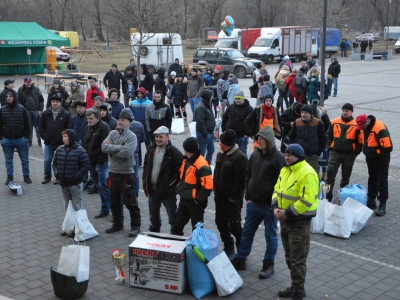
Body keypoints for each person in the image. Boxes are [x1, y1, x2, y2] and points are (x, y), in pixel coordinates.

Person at [231, 126, 285, 280]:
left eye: (261, 139)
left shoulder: (279, 158)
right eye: (257, 139)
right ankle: (241, 258)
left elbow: (280, 184)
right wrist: (248, 196)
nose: (258, 141)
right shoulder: (255, 155)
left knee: (270, 236)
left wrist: (274, 204)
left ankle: (269, 264)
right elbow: (248, 175)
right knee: (247, 232)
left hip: (269, 206)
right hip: (253, 203)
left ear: (269, 140)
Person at [272, 144, 319, 300]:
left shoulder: (307, 173)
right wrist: (275, 208)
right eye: (285, 154)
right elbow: (276, 190)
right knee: (289, 256)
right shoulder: (285, 170)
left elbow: (306, 201)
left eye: (290, 155)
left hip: (299, 222)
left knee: (297, 258)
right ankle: (295, 286)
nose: (286, 157)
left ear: (298, 156)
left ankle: (298, 291)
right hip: (285, 220)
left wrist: (287, 213)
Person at [102, 110, 141, 237]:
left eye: (123, 120)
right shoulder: (112, 133)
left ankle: (135, 226)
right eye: (119, 119)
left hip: (126, 174)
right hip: (113, 173)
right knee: (114, 201)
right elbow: (103, 147)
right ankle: (118, 224)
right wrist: (120, 147)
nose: (119, 122)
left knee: (130, 202)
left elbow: (127, 153)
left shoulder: (131, 136)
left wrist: (112, 148)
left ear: (129, 123)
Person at [213, 129, 248, 255]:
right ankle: (229, 247)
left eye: (221, 141)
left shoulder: (240, 158)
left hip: (232, 201)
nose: (219, 143)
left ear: (226, 144)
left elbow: (241, 181)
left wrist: (232, 198)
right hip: (219, 198)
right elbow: (216, 173)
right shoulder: (220, 154)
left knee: (235, 227)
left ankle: (241, 253)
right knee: (220, 223)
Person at [143, 126, 183, 233]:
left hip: (167, 192)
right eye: (156, 137)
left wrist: (170, 185)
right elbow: (146, 168)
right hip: (152, 190)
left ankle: (175, 233)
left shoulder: (174, 152)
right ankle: (155, 230)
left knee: (172, 217)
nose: (158, 139)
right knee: (153, 215)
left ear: (167, 137)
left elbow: (179, 172)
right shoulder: (151, 150)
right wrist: (145, 182)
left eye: (161, 137)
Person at [171, 137, 213, 235]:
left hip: (195, 202)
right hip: (185, 198)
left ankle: (197, 247)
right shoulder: (187, 160)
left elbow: (208, 186)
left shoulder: (201, 165)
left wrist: (198, 199)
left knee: (197, 229)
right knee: (177, 225)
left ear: (187, 149)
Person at [53, 129, 90, 236]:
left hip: (75, 184)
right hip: (63, 184)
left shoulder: (80, 150)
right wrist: (57, 174)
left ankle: (79, 228)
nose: (64, 139)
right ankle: (69, 226)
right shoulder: (59, 150)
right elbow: (54, 163)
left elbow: (86, 165)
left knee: (77, 206)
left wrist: (77, 176)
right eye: (63, 137)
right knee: (67, 206)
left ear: (71, 137)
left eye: (66, 137)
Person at [356, 114, 393, 216]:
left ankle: (382, 203)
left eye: (362, 126)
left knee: (382, 180)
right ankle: (371, 200)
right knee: (372, 178)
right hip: (370, 156)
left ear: (367, 122)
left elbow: (388, 146)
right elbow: (361, 140)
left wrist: (379, 155)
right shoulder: (363, 127)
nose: (361, 129)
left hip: (381, 158)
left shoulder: (380, 128)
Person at [325, 103, 362, 202]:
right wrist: (329, 148)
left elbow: (360, 140)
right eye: (343, 110)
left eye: (347, 111)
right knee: (330, 175)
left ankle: (343, 196)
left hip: (349, 154)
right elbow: (328, 135)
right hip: (335, 153)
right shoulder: (334, 122)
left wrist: (355, 152)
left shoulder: (356, 124)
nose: (345, 113)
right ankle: (326, 196)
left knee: (346, 177)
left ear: (351, 112)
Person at [84, 109, 111, 218]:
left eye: (91, 118)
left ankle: (115, 208)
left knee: (104, 185)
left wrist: (101, 160)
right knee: (99, 186)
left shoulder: (104, 127)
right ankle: (104, 209)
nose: (89, 120)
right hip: (91, 162)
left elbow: (105, 146)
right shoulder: (87, 127)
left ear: (97, 118)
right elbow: (86, 144)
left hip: (101, 162)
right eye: (87, 118)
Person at [0, 90, 31, 185]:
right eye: (7, 96)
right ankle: (10, 177)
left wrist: (27, 137)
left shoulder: (22, 109)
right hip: (7, 139)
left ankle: (26, 176)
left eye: (10, 96)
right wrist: (1, 137)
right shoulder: (2, 110)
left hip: (21, 139)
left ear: (15, 97)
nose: (8, 98)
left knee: (24, 159)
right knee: (8, 160)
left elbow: (28, 123)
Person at [39, 95, 71, 184]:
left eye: (57, 102)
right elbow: (41, 126)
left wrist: (64, 138)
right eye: (53, 102)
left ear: (60, 103)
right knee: (47, 161)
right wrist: (43, 135)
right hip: (48, 142)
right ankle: (47, 176)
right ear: (51, 103)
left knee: (59, 162)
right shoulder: (46, 113)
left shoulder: (65, 114)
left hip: (60, 143)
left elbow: (67, 128)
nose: (55, 104)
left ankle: (58, 177)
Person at [289, 104, 326, 172]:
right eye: (302, 112)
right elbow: (291, 136)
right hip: (299, 155)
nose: (303, 114)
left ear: (310, 114)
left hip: (312, 155)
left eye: (305, 113)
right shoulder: (297, 122)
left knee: (312, 173)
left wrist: (318, 152)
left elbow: (323, 138)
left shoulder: (317, 123)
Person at [222, 90, 253, 156]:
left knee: (242, 153)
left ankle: (245, 166)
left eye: (239, 98)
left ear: (243, 99)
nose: (237, 100)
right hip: (230, 136)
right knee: (229, 153)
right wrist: (224, 129)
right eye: (236, 99)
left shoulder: (249, 109)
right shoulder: (231, 107)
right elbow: (225, 117)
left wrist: (247, 134)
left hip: (241, 136)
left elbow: (252, 122)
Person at [123, 108, 145, 198]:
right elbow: (143, 139)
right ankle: (135, 194)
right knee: (135, 175)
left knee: (125, 175)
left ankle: (126, 194)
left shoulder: (122, 126)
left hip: (125, 154)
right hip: (136, 154)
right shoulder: (139, 125)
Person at [17, 77, 44, 147]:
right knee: (28, 126)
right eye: (27, 82)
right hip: (26, 111)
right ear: (24, 82)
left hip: (36, 111)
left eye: (30, 82)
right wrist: (21, 109)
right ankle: (29, 140)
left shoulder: (36, 89)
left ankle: (40, 140)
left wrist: (40, 109)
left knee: (38, 126)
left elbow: (41, 100)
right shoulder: (20, 90)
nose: (29, 83)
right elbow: (17, 100)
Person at [129, 87, 153, 166]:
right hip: (136, 127)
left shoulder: (149, 103)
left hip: (146, 126)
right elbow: (130, 114)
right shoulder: (132, 103)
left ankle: (150, 159)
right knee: (137, 145)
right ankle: (138, 161)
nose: (140, 95)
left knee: (148, 144)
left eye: (141, 93)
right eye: (138, 93)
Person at [194, 90, 215, 165]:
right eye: (211, 96)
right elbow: (200, 122)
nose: (212, 97)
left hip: (210, 133)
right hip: (204, 134)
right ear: (208, 97)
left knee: (211, 151)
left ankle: (207, 165)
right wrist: (205, 134)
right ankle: (200, 166)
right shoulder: (201, 107)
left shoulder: (207, 104)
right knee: (201, 153)